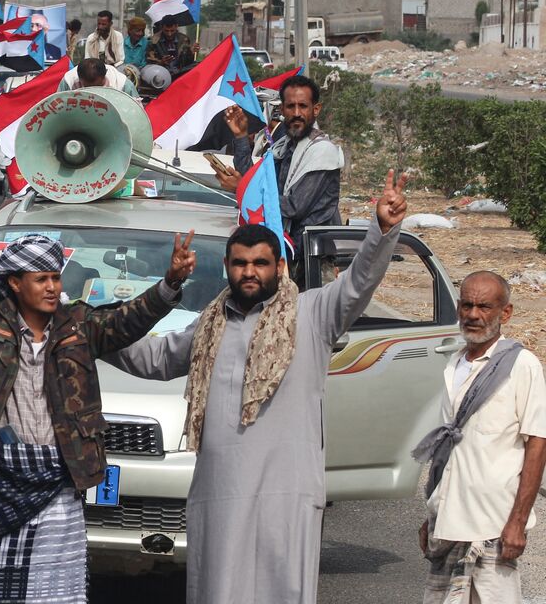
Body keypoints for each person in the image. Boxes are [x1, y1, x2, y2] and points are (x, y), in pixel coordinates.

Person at [111, 170, 409, 604]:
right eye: (240, 263)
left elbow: (358, 283)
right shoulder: (212, 324)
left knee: (280, 592)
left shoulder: (313, 313)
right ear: (228, 267)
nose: (250, 272)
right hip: (220, 491)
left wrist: (381, 231)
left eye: (260, 263)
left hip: (285, 493)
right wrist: (93, 334)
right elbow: (154, 359)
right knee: (219, 590)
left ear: (279, 267)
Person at [0, 214, 195, 602]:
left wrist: (171, 282)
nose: (53, 287)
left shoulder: (79, 325)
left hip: (60, 477)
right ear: (14, 283)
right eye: (41, 279)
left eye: (56, 278)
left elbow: (130, 319)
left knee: (53, 587)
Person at [414, 272, 546, 603]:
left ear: (506, 312)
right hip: (451, 525)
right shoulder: (455, 364)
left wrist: (517, 523)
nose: (474, 315)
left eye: (484, 306)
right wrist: (433, 514)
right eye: (467, 305)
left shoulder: (521, 365)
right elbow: (450, 455)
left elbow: (537, 444)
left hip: (493, 527)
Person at [218, 75, 344, 265]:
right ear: (282, 109)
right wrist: (241, 135)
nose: (296, 113)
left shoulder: (321, 152)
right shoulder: (283, 147)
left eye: (303, 106)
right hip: (284, 253)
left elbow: (295, 207)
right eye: (290, 106)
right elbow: (258, 182)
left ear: (315, 109)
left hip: (312, 263)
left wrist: (241, 188)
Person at [59, 56, 139, 97]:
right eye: (87, 87)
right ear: (79, 78)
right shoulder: (68, 81)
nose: (94, 92)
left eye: (98, 86)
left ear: (106, 74)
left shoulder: (122, 84)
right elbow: (57, 108)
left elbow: (136, 112)